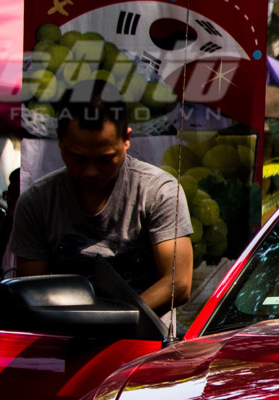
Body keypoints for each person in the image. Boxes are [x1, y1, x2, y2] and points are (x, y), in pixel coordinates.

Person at [10, 105, 193, 316]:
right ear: (59, 139)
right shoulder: (36, 202)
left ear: (126, 139)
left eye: (104, 159)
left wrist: (111, 321)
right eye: (78, 158)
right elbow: (31, 295)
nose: (90, 172)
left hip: (144, 343)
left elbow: (178, 283)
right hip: (64, 339)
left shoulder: (158, 192)